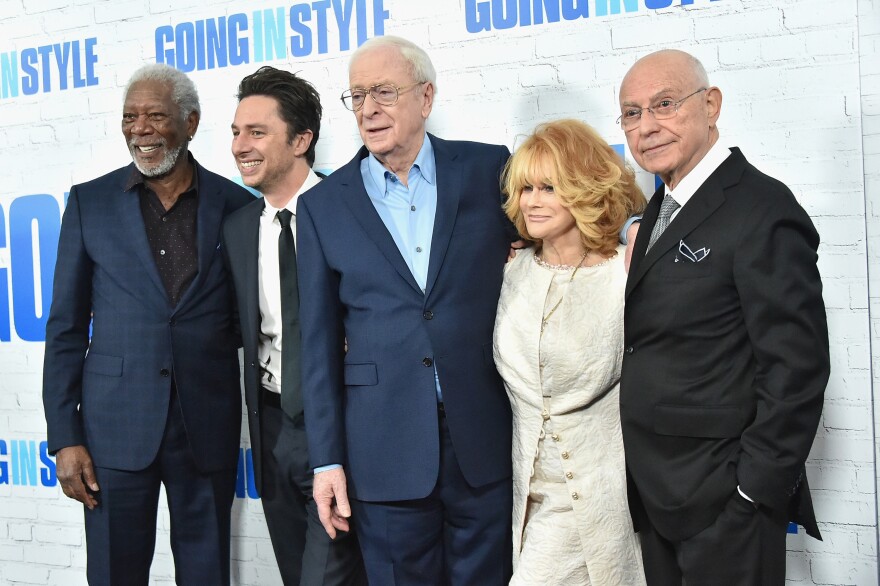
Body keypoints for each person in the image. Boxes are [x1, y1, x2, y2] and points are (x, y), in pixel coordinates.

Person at [295, 36, 518, 584]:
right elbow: (318, 345)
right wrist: (326, 460)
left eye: (383, 92)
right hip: (382, 447)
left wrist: (632, 229)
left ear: (426, 96)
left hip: (483, 437)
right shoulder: (322, 205)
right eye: (357, 96)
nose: (368, 109)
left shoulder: (490, 169)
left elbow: (558, 227)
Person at [618, 49, 829, 585]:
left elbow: (796, 371)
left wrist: (751, 493)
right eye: (632, 113)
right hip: (657, 495)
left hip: (726, 504)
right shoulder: (658, 211)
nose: (647, 126)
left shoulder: (763, 209)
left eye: (664, 104)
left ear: (710, 105)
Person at [42, 63, 254, 585]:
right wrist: (64, 436)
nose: (140, 129)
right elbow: (66, 327)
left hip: (205, 425)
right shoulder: (89, 203)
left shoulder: (237, 205)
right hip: (114, 429)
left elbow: (250, 314)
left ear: (191, 122)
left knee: (206, 573)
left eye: (155, 116)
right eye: (130, 117)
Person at [221, 65, 366, 585]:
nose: (240, 145)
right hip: (273, 430)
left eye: (257, 132)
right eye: (236, 132)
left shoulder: (353, 208)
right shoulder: (238, 227)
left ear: (302, 139)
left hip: (343, 431)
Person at [493, 119, 646, 585]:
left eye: (549, 187)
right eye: (525, 188)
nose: (532, 201)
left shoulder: (624, 274)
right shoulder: (511, 269)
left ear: (584, 189)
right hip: (526, 498)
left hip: (597, 496)